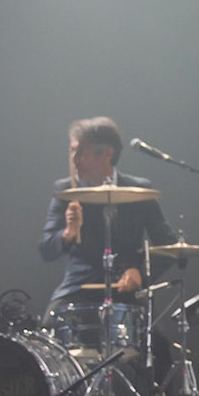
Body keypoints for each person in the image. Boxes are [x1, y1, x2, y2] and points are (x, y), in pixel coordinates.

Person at [37, 117, 173, 319]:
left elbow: (168, 245)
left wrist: (141, 273)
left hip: (126, 292)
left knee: (158, 347)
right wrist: (68, 233)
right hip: (78, 289)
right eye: (72, 151)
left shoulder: (139, 190)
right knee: (48, 331)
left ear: (108, 153)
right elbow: (46, 250)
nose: (74, 160)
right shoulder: (66, 191)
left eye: (81, 152)